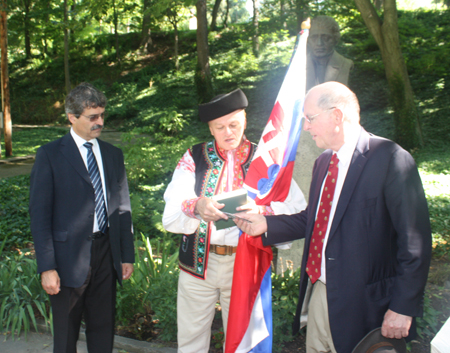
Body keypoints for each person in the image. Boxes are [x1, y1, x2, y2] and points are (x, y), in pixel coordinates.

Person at [235, 82, 432, 353]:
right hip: (320, 292)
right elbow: (315, 221)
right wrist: (266, 223)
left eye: (310, 118)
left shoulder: (390, 158)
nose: (305, 127)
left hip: (367, 304)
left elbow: (414, 243)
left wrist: (402, 307)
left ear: (336, 116)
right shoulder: (323, 162)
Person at [162, 88, 305, 353]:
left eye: (234, 124)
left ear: (245, 121)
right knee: (190, 342)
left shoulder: (266, 160)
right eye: (220, 127)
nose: (228, 132)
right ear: (210, 129)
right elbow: (174, 204)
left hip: (245, 263)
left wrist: (261, 211)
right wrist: (198, 205)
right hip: (197, 266)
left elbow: (298, 211)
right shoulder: (194, 157)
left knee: (244, 343)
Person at [29, 82, 135, 353]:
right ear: (72, 117)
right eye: (93, 117)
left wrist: (126, 255)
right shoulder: (50, 155)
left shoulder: (113, 155)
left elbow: (122, 209)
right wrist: (47, 267)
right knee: (65, 337)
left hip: (106, 254)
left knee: (103, 330)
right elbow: (40, 216)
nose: (100, 122)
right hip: (66, 260)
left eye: (102, 115)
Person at [306, 16, 354, 91]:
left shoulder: (346, 65)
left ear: (335, 39)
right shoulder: (297, 67)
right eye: (314, 38)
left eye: (325, 38)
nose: (319, 43)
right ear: (308, 40)